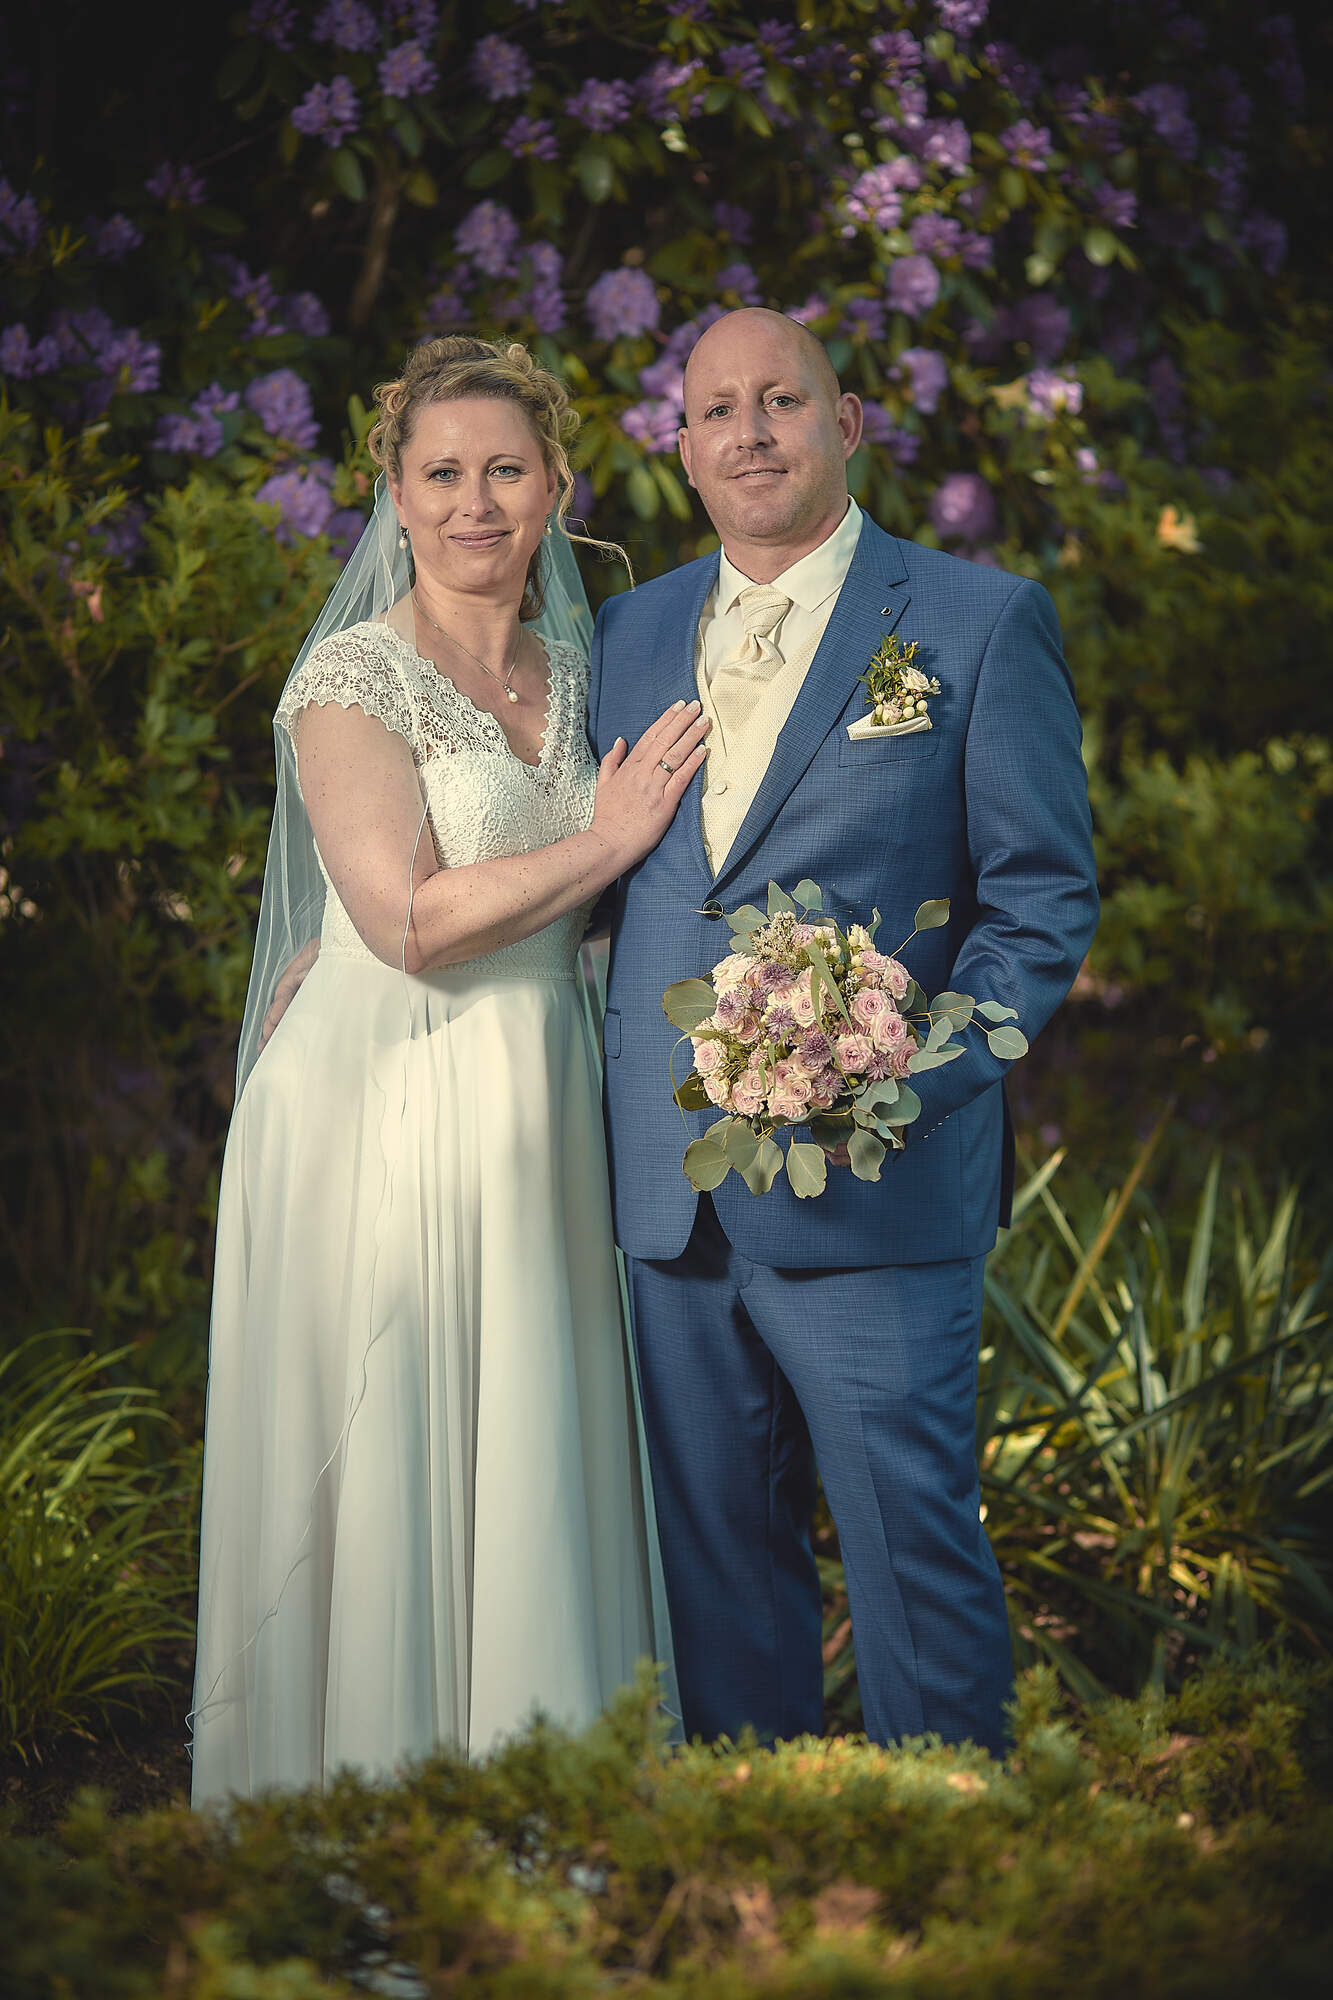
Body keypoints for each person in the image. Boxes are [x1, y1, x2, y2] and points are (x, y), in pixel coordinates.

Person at [188, 336, 704, 1803]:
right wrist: (604, 841)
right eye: (441, 474)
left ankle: (541, 1792)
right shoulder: (354, 678)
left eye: (505, 470)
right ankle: (382, 1805)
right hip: (388, 1094)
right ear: (395, 497)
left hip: (540, 1087)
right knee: (407, 1434)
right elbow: (404, 921)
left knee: (531, 1429)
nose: (475, 502)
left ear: (554, 490)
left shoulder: (587, 666)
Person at [588, 308, 1099, 1758]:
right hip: (671, 1196)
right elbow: (581, 876)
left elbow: (1040, 904)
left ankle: (953, 1855)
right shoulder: (626, 633)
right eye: (716, 410)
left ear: (848, 422)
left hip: (879, 1191)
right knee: (714, 1574)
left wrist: (895, 1076)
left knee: (912, 1557)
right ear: (682, 449)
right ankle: (768, 1860)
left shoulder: (976, 620)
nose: (749, 432)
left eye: (782, 400)